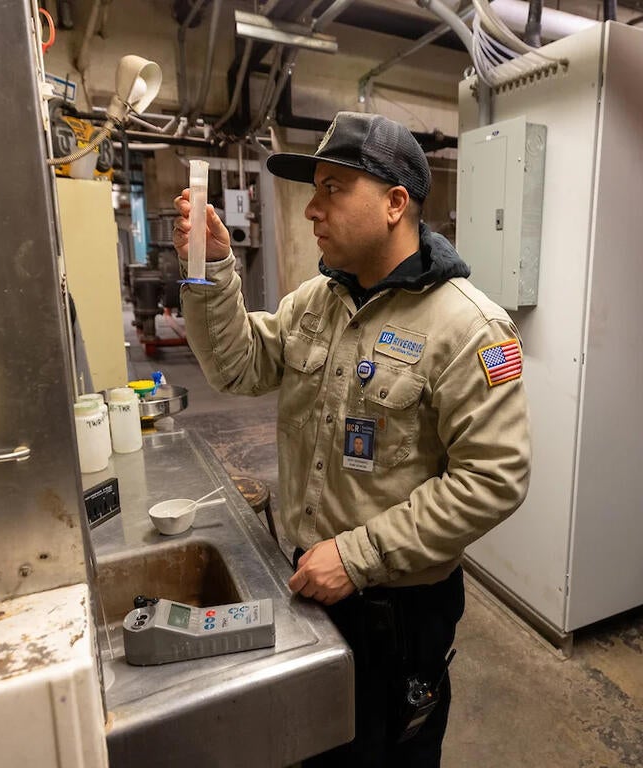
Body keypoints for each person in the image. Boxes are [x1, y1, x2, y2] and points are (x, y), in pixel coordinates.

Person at [172, 111, 531, 767]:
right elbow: (238, 366)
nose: (313, 208)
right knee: (317, 749)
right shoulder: (317, 301)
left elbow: (493, 480)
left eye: (333, 188)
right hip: (307, 580)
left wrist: (358, 556)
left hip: (395, 613)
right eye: (315, 189)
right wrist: (214, 267)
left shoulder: (470, 328)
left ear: (397, 203)